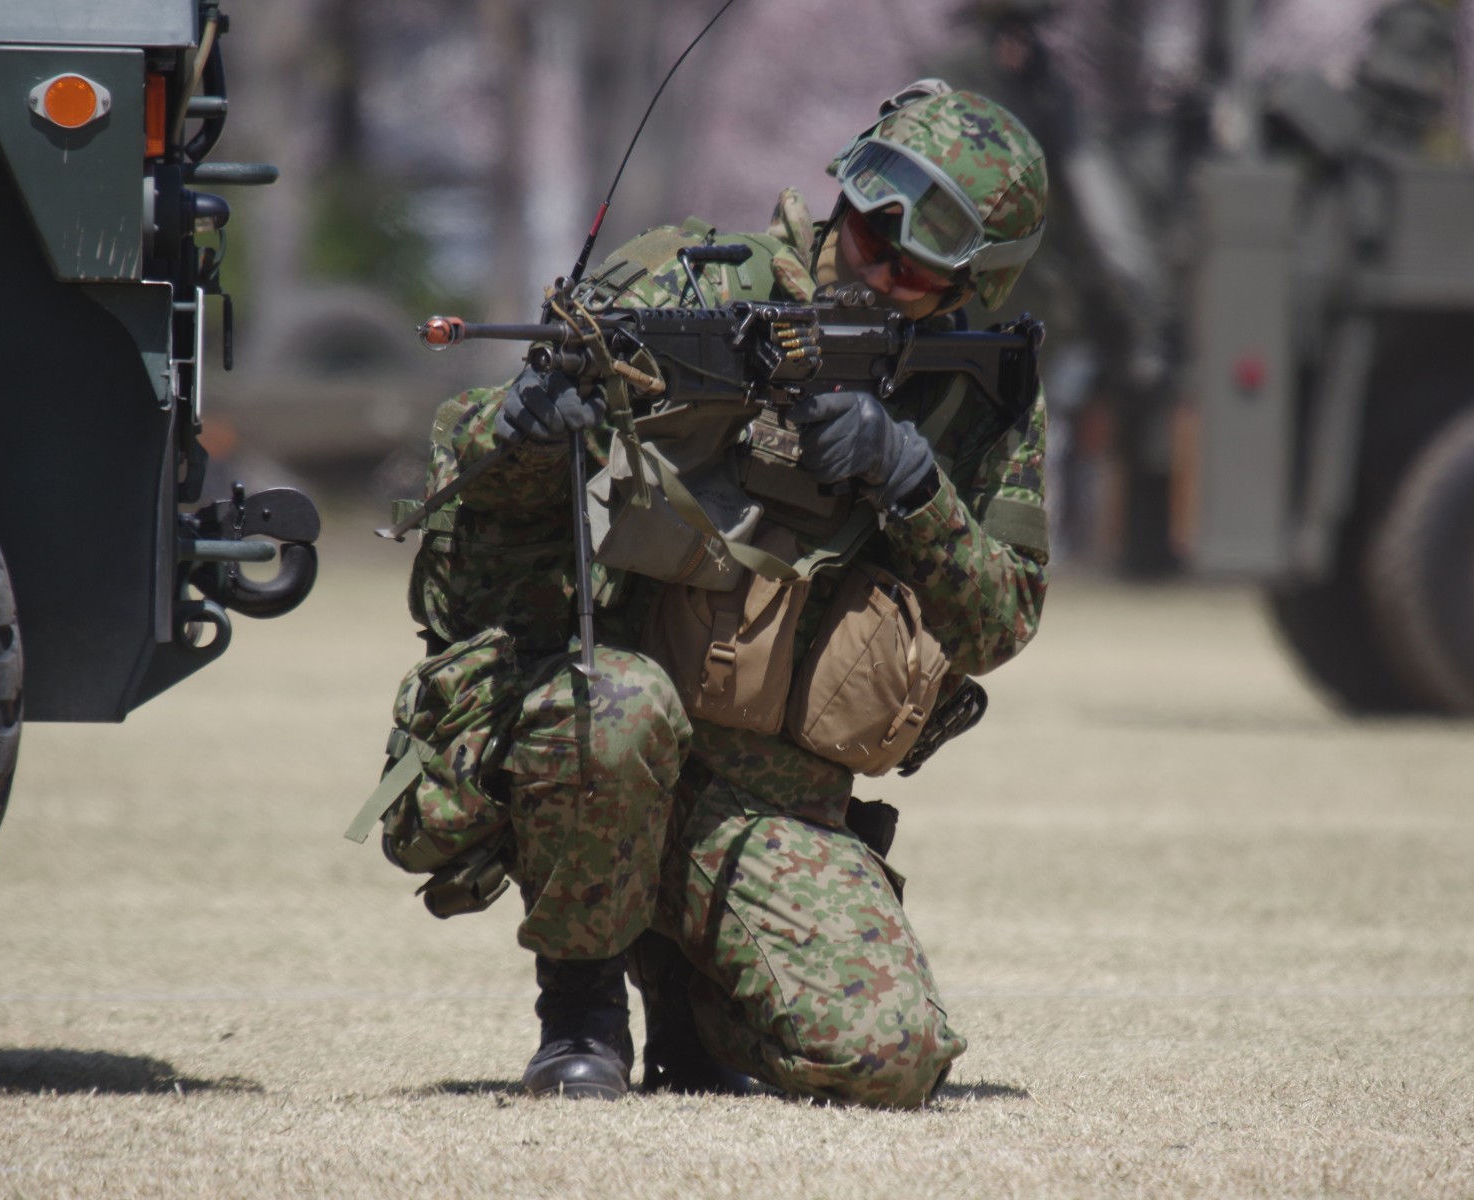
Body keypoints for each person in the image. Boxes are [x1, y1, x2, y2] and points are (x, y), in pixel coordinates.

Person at [357, 83, 1051, 1109]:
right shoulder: (688, 280)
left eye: (919, 252)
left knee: (889, 1061)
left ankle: (690, 996)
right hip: (593, 731)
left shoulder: (975, 400)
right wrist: (528, 422)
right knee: (619, 708)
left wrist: (909, 482)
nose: (878, 249)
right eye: (872, 210)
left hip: (765, 799)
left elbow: (1002, 623)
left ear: (974, 285)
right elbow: (461, 468)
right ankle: (582, 1012)